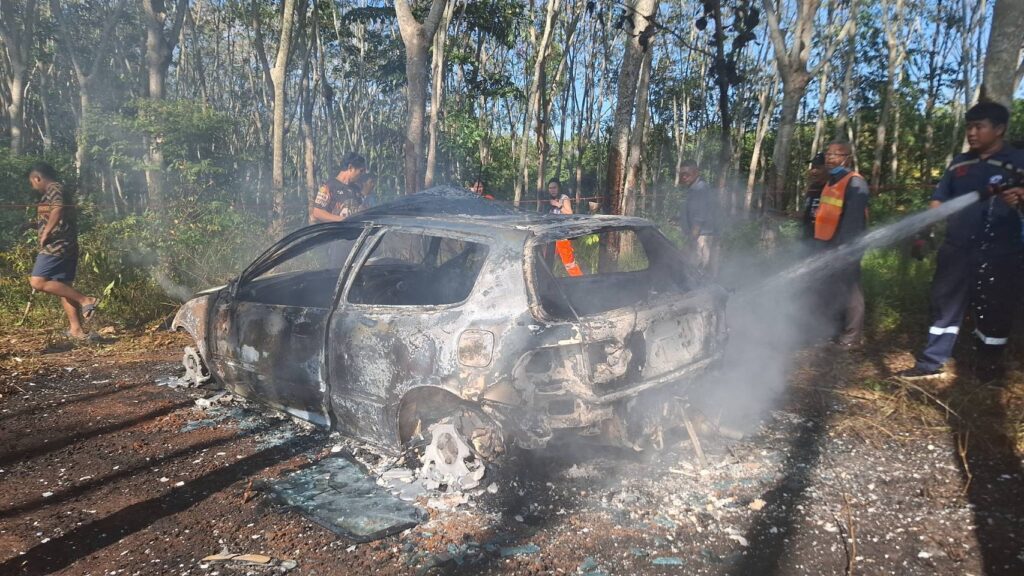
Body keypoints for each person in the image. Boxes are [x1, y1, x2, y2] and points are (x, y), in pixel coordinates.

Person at [898, 101, 1024, 381]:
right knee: (944, 304)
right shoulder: (960, 163)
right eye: (969, 127)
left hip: (1000, 252)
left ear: (999, 129)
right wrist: (924, 231)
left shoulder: (1018, 160)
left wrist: (1019, 198)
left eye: (979, 127)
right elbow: (939, 199)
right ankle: (931, 362)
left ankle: (989, 368)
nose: (972, 133)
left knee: (995, 308)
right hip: (956, 249)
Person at [27, 162, 99, 340]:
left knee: (37, 282)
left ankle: (85, 300)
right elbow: (57, 216)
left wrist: (46, 233)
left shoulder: (54, 188)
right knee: (63, 286)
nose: (33, 186)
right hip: (67, 244)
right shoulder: (56, 191)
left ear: (37, 178)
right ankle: (76, 330)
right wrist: (33, 225)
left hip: (57, 245)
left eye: (32, 182)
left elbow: (58, 209)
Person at [814, 141, 870, 347]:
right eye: (828, 154)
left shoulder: (855, 183)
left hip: (846, 247)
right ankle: (834, 330)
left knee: (850, 291)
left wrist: (844, 250)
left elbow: (853, 222)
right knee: (832, 289)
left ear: (847, 158)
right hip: (827, 244)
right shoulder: (830, 182)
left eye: (836, 154)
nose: (830, 158)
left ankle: (851, 337)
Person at [677, 160, 719, 275]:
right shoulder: (693, 189)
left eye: (687, 174)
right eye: (682, 174)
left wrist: (691, 240)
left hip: (701, 236)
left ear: (696, 173)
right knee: (695, 268)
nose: (684, 177)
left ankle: (703, 287)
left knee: (697, 270)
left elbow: (699, 218)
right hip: (697, 235)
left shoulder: (700, 189)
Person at [310, 152, 366, 223]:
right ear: (350, 168)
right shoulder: (329, 187)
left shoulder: (356, 189)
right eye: (361, 171)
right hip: (335, 229)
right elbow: (317, 212)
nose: (362, 174)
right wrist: (343, 220)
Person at [802, 152, 829, 240]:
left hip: (822, 239)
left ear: (827, 169)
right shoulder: (812, 188)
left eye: (818, 168)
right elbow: (808, 211)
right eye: (812, 168)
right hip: (807, 237)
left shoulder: (831, 189)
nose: (814, 171)